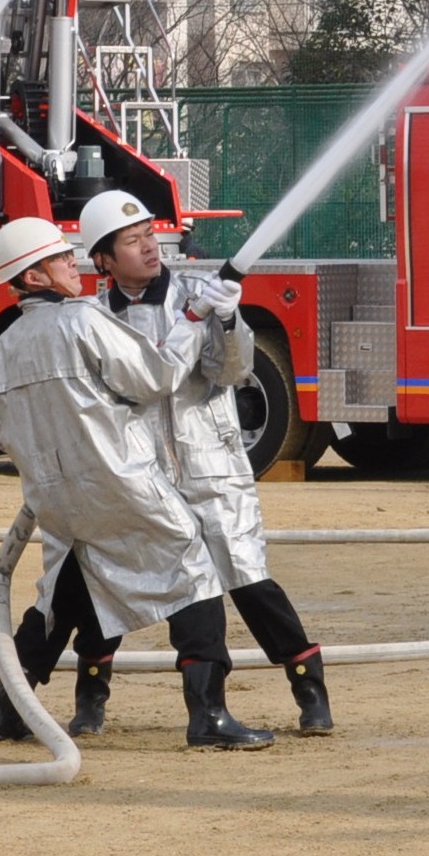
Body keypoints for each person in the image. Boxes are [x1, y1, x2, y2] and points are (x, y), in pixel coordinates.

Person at [0, 212, 274, 750]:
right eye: (61, 257)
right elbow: (154, 379)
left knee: (62, 594)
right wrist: (195, 315)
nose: (74, 261)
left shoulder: (2, 348)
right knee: (192, 567)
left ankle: (10, 711)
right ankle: (209, 715)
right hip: (121, 481)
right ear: (35, 277)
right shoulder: (83, 320)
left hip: (53, 495)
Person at [71, 190, 333, 734]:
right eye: (132, 241)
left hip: (211, 464)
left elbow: (232, 372)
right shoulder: (93, 318)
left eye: (149, 235)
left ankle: (310, 689)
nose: (149, 247)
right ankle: (93, 698)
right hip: (141, 475)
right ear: (102, 258)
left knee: (248, 579)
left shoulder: (198, 292)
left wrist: (231, 319)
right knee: (107, 578)